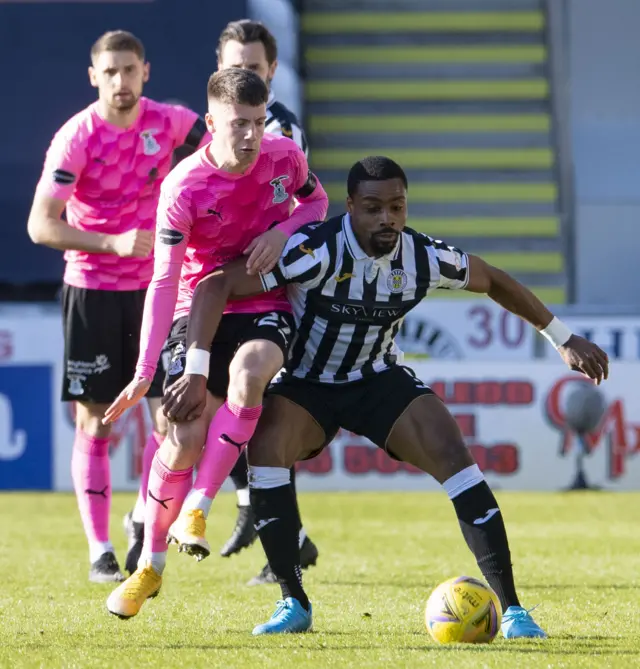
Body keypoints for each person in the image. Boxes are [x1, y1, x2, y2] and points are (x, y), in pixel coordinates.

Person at [162, 156, 609, 636]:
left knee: (452, 452)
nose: (387, 219)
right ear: (350, 205)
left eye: (396, 207)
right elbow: (216, 283)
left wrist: (562, 337)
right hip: (305, 384)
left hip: (376, 378)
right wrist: (196, 366)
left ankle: (516, 611)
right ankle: (293, 603)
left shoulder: (422, 257)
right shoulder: (313, 251)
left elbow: (493, 279)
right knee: (266, 451)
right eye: (373, 207)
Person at [103, 67, 328, 619]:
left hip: (262, 303)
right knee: (182, 437)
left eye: (257, 122)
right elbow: (163, 280)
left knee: (251, 377)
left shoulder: (283, 156)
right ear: (210, 123)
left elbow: (316, 203)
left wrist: (284, 231)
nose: (250, 137)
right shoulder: (182, 187)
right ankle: (148, 568)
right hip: (197, 312)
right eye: (237, 125)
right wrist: (145, 369)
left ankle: (199, 507)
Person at [27, 30, 209, 583]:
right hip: (93, 290)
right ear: (94, 77)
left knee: (169, 418)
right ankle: (99, 550)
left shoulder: (172, 122)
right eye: (110, 72)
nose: (121, 82)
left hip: (158, 288)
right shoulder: (75, 139)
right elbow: (40, 226)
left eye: (129, 71)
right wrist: (111, 243)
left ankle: (141, 516)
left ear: (145, 72)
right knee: (97, 423)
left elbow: (215, 156)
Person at [214, 18, 317, 583]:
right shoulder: (216, 129)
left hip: (277, 289)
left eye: (253, 67)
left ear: (272, 71)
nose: (244, 74)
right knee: (225, 409)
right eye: (235, 65)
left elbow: (299, 206)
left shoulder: (280, 132)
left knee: (269, 413)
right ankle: (271, 521)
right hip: (227, 286)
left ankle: (280, 533)